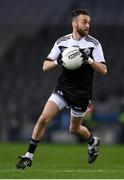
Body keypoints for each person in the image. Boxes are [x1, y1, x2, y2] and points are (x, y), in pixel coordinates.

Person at [16, 9, 107, 170]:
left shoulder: (94, 44)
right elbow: (45, 66)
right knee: (43, 118)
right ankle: (28, 157)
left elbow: (103, 70)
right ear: (74, 23)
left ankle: (93, 141)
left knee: (74, 129)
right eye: (84, 22)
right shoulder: (62, 42)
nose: (87, 25)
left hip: (82, 93)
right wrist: (59, 61)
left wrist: (90, 60)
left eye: (89, 22)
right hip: (63, 89)